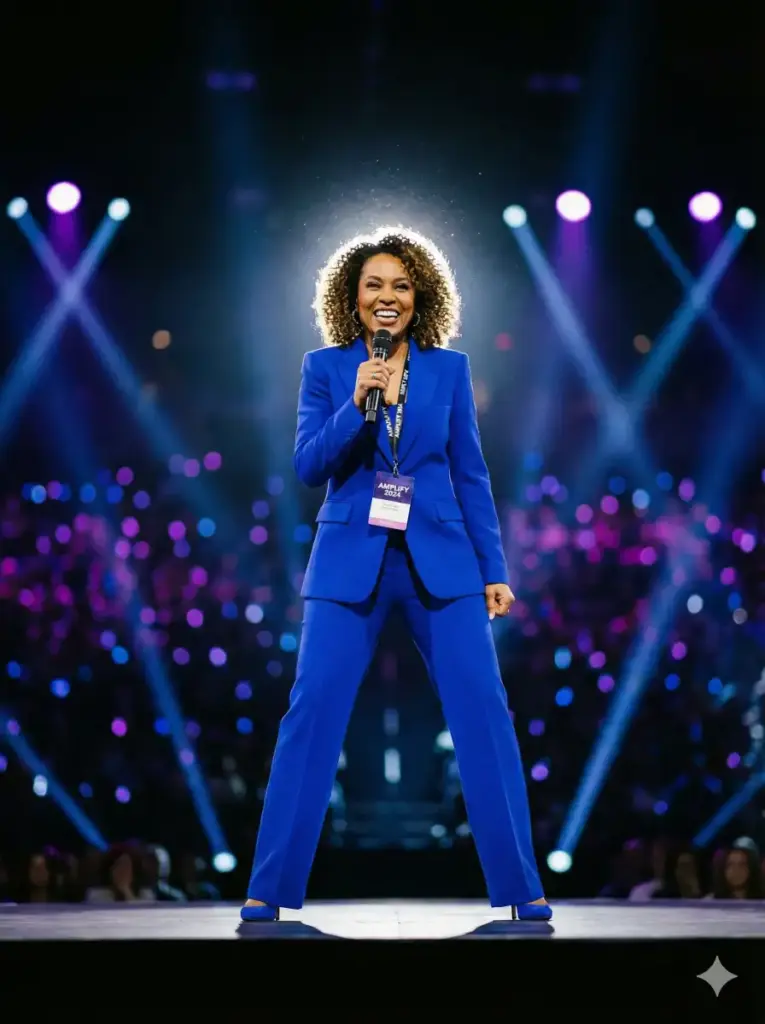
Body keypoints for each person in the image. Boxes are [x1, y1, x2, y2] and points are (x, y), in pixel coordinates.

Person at [242, 226, 550, 922]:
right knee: (310, 713)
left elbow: (470, 473)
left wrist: (493, 568)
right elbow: (308, 467)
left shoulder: (448, 369)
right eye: (374, 285)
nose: (388, 297)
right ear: (352, 298)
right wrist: (358, 402)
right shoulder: (324, 367)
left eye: (401, 285)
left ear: (422, 297)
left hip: (442, 565)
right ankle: (269, 887)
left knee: (484, 715)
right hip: (348, 563)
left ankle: (520, 887)